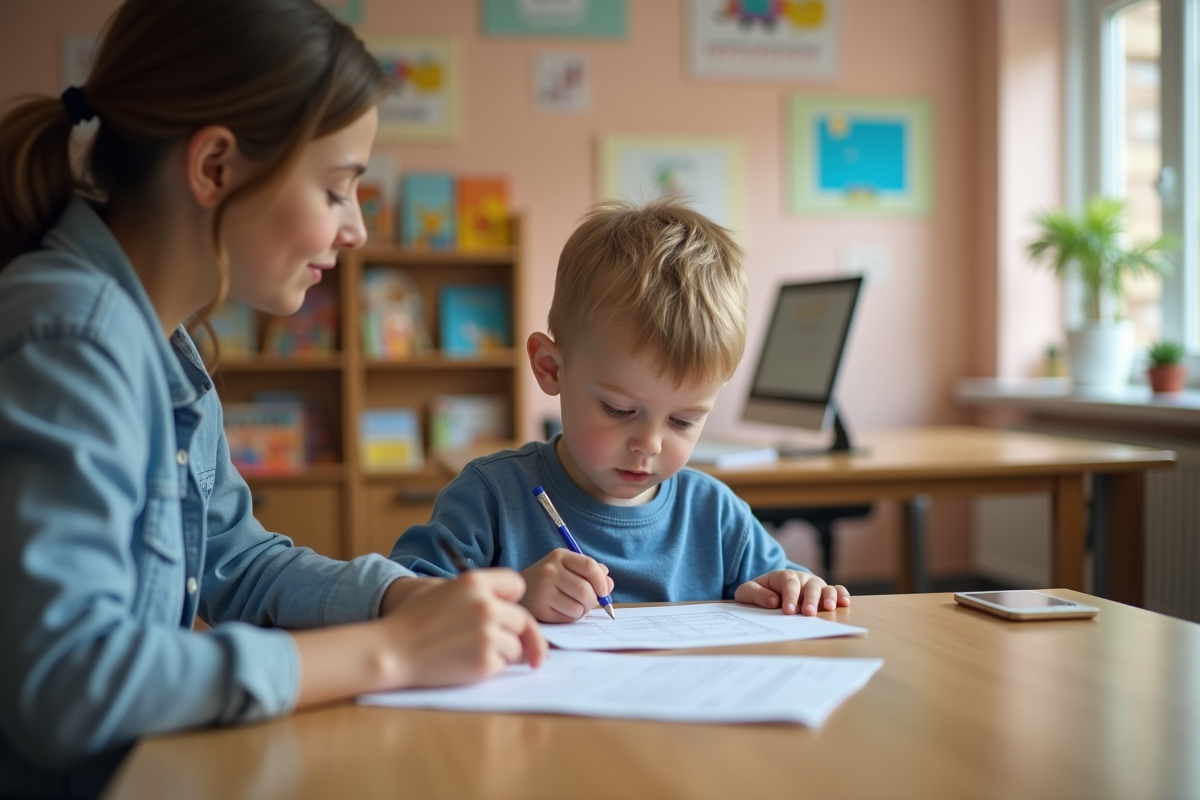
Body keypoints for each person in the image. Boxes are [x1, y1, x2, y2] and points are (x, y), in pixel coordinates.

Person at [0, 1, 545, 796]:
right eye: (336, 189)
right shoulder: (72, 339)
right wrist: (393, 652)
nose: (356, 230)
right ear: (215, 167)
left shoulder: (167, 347)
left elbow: (239, 562)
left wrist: (401, 597)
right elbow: (66, 681)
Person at [390, 199, 852, 623]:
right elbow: (396, 600)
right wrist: (514, 596)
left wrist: (795, 586)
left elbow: (785, 586)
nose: (649, 445)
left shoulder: (715, 515)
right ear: (550, 368)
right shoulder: (489, 497)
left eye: (684, 421)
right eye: (619, 409)